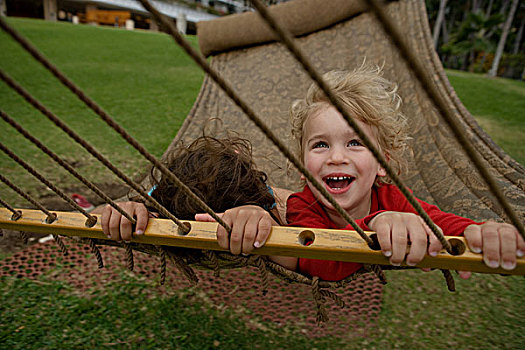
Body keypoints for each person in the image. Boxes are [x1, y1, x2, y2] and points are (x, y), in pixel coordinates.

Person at [283, 65, 524, 281]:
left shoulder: (392, 198)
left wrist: (480, 231)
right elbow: (315, 264)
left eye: (355, 143)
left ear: (382, 164)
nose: (336, 158)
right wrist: (372, 224)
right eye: (320, 145)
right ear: (301, 167)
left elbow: (439, 223)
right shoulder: (302, 205)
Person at [99, 135, 296, 270]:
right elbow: (93, 216)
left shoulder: (280, 203)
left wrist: (268, 221)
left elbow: (297, 259)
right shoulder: (160, 206)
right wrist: (127, 211)